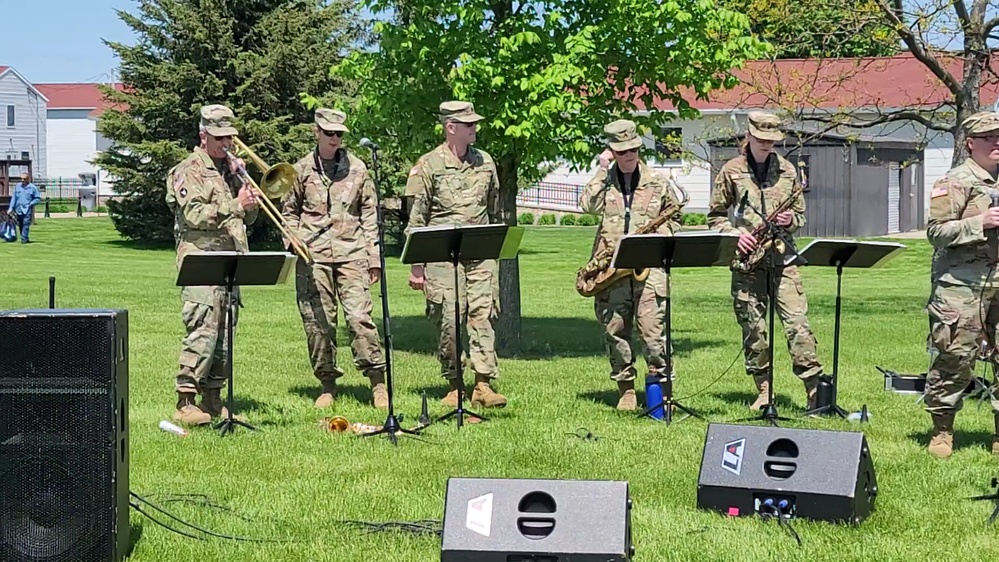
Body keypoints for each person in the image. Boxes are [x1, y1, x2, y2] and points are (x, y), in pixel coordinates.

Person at [707, 110, 824, 412]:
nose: (766, 146)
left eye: (772, 142)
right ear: (748, 136)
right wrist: (735, 236)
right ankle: (764, 389)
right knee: (754, 329)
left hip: (783, 259)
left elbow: (800, 215)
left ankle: (814, 390)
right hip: (747, 260)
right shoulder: (730, 170)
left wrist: (791, 220)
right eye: (761, 140)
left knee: (798, 325)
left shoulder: (787, 171)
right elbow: (715, 216)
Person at [280, 108, 387, 409]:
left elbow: (369, 214)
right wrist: (292, 240)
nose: (335, 138)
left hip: (352, 254)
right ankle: (327, 384)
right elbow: (288, 212)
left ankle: (377, 383)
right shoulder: (299, 170)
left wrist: (374, 257)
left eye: (339, 134)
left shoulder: (358, 168)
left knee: (359, 318)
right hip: (313, 256)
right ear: (316, 132)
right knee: (319, 323)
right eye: (329, 133)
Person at [404, 100, 507, 409]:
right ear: (451, 128)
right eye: (469, 125)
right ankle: (454, 384)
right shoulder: (428, 165)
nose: (475, 129)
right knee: (449, 317)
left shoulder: (485, 162)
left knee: (482, 315)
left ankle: (483, 384)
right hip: (441, 253)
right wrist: (417, 266)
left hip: (479, 251)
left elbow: (493, 205)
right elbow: (416, 219)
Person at [578, 119, 685, 410]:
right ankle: (626, 389)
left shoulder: (658, 183)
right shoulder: (605, 180)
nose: (629, 156)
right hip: (612, 268)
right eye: (622, 152)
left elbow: (675, 220)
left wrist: (656, 234)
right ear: (611, 151)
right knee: (615, 330)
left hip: (649, 266)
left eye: (634, 150)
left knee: (653, 332)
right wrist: (601, 169)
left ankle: (662, 392)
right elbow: (587, 205)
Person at [164, 104, 259, 426]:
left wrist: (248, 197)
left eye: (229, 137)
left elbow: (248, 215)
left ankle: (214, 398)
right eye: (219, 137)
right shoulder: (187, 169)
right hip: (201, 258)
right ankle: (185, 400)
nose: (226, 143)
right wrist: (235, 204)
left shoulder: (230, 170)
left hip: (230, 257)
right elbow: (194, 215)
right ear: (203, 135)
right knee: (203, 327)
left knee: (225, 331)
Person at [923, 110, 999, 459]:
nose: (997, 143)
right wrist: (979, 222)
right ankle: (942, 431)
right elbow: (936, 233)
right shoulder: (955, 181)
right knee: (954, 356)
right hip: (962, 285)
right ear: (971, 144)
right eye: (989, 137)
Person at [8, 172, 41, 243]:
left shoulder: (32, 187)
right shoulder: (18, 186)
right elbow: (14, 198)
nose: (22, 180)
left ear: (28, 179)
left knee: (26, 223)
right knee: (20, 224)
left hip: (27, 209)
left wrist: (31, 204)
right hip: (18, 209)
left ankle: (24, 239)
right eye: (21, 179)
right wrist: (11, 208)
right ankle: (25, 238)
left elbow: (38, 198)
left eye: (24, 179)